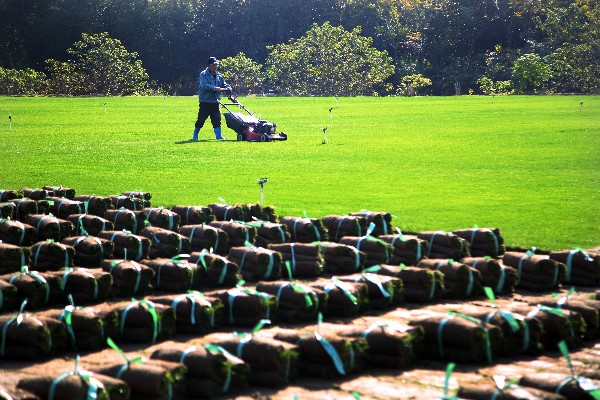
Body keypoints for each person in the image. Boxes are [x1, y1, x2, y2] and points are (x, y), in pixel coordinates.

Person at [192, 56, 232, 141]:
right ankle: (195, 135)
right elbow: (204, 85)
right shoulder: (203, 74)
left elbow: (223, 84)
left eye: (216, 64)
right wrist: (214, 88)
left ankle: (219, 137)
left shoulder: (218, 75)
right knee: (201, 119)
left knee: (217, 119)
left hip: (215, 101)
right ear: (209, 65)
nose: (215, 66)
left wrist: (228, 87)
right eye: (214, 65)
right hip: (205, 101)